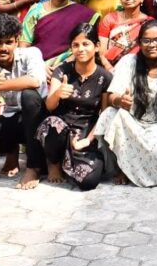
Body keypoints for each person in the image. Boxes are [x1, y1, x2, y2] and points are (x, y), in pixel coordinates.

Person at [94, 20, 157, 186]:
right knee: (110, 115)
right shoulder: (128, 62)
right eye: (146, 41)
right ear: (139, 43)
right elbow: (112, 96)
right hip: (130, 120)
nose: (152, 45)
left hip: (155, 126)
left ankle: (138, 172)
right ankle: (121, 169)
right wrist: (120, 100)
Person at [0, 14, 48, 189]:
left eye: (9, 42)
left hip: (40, 119)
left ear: (16, 41)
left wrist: (2, 85)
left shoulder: (31, 54)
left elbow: (35, 81)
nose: (3, 48)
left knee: (29, 95)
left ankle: (33, 167)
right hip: (16, 120)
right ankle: (11, 151)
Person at [37, 21, 111, 190]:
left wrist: (87, 140)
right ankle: (54, 163)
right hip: (59, 131)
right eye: (75, 45)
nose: (81, 49)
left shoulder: (105, 77)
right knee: (52, 124)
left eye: (86, 44)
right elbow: (49, 106)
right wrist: (58, 93)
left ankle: (69, 162)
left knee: (89, 182)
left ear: (97, 46)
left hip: (84, 134)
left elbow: (105, 115)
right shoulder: (62, 71)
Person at [21, 0, 98, 64]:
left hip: (70, 65)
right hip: (38, 66)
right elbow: (24, 46)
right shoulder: (36, 10)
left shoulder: (82, 13)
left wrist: (63, 65)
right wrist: (39, 67)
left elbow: (85, 46)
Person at [98, 0, 150, 67]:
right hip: (112, 69)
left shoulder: (149, 23)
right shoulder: (109, 19)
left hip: (140, 69)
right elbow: (102, 53)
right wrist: (109, 68)